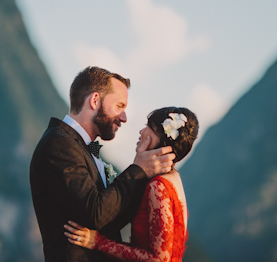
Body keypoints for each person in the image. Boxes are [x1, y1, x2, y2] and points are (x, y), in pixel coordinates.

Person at [30, 67, 176, 262]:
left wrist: (148, 176)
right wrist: (138, 170)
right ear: (95, 100)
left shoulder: (85, 149)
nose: (124, 117)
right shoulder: (58, 144)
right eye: (119, 106)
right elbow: (95, 213)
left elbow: (109, 219)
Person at [64, 107, 199, 262]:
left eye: (150, 128)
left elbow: (159, 259)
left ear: (163, 140)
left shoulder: (158, 186)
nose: (142, 131)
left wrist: (98, 242)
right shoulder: (173, 178)